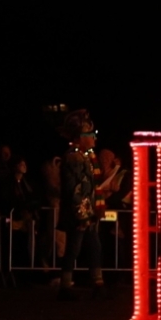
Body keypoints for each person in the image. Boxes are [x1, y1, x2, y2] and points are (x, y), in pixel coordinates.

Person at [57, 110, 103, 300]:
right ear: (81, 137)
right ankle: (65, 286)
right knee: (74, 248)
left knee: (94, 247)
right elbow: (75, 189)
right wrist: (82, 215)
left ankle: (97, 285)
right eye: (90, 134)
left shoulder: (86, 156)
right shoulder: (74, 157)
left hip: (87, 211)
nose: (94, 138)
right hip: (79, 212)